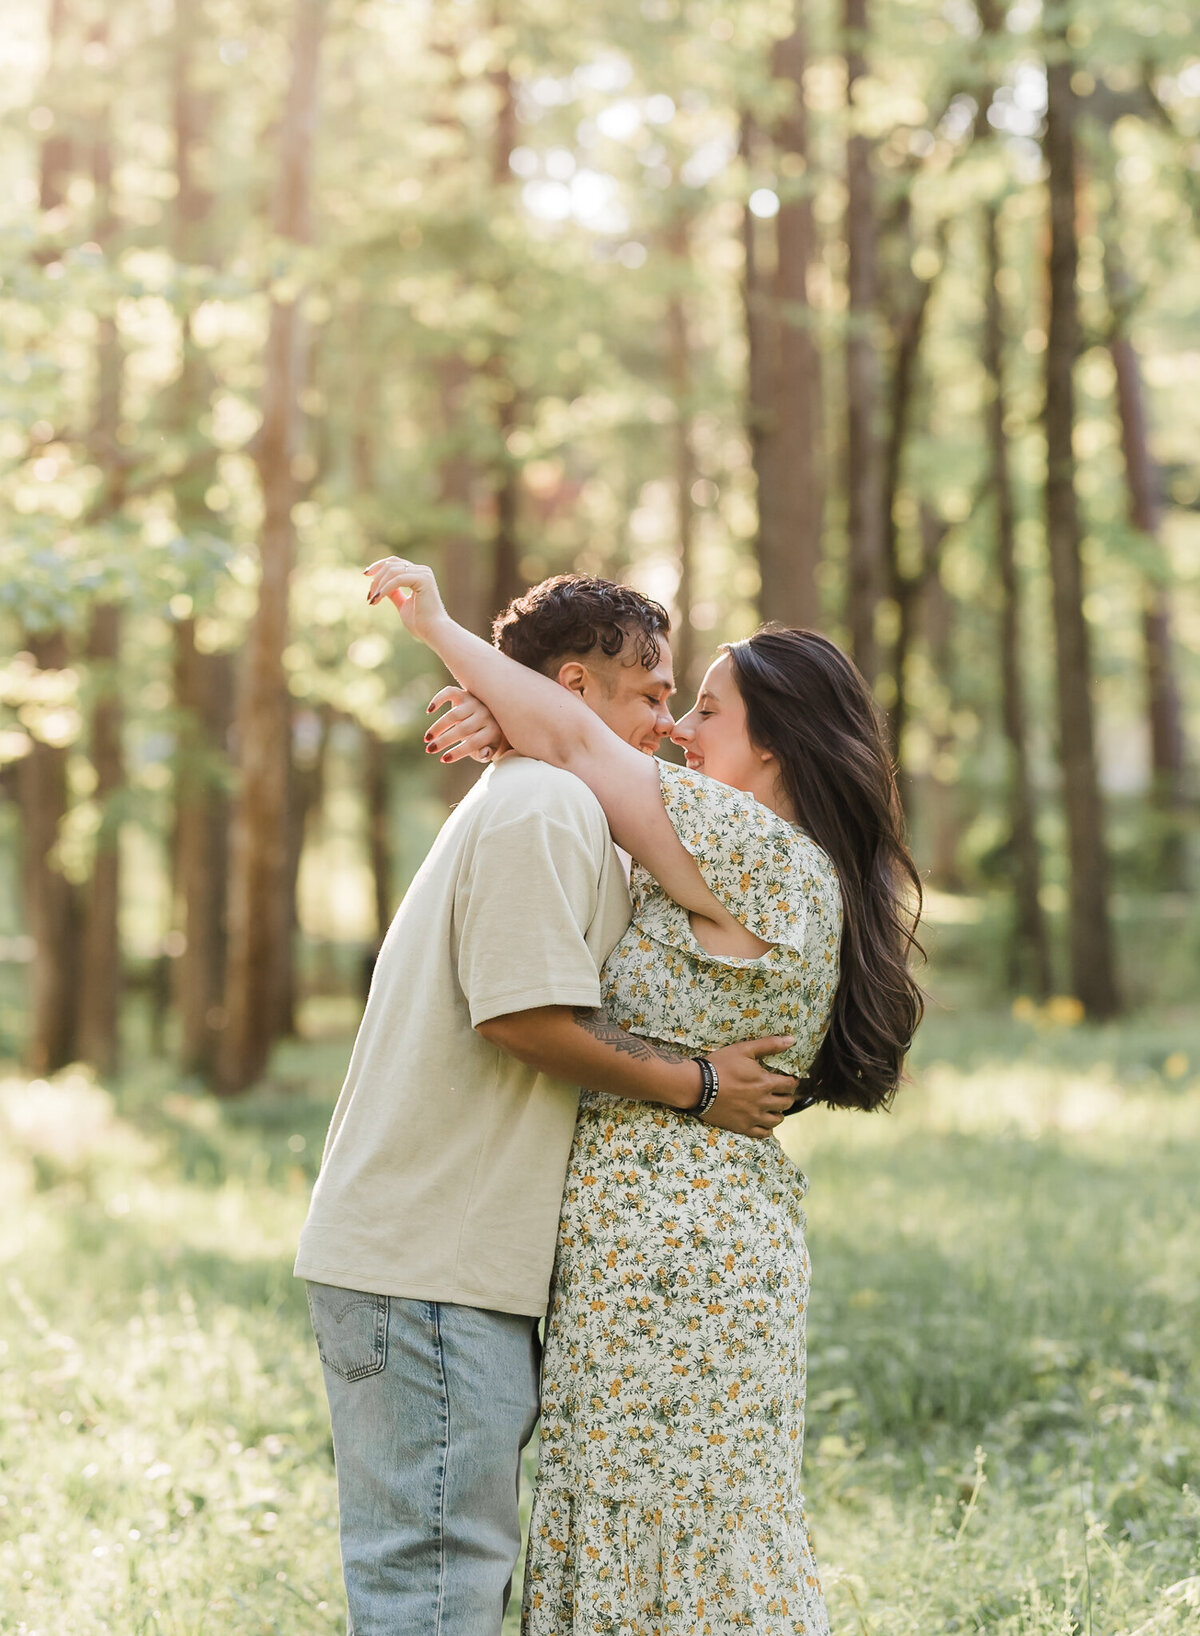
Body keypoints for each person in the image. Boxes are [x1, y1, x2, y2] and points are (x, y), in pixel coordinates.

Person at [367, 554, 925, 1636]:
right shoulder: (741, 859)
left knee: (664, 1550)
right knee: (676, 1540)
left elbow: (581, 737)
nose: (675, 729)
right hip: (683, 1244)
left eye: (703, 710)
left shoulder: (758, 851)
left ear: (770, 746)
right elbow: (576, 743)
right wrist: (503, 715)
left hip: (669, 1258)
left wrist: (440, 629)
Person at [294, 573, 802, 1636]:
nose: (665, 725)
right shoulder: (546, 806)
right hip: (429, 1266)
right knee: (434, 1591)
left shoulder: (556, 798)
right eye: (654, 694)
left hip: (446, 1264)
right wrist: (700, 1083)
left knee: (446, 1580)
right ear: (576, 687)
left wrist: (512, 716)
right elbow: (522, 1018)